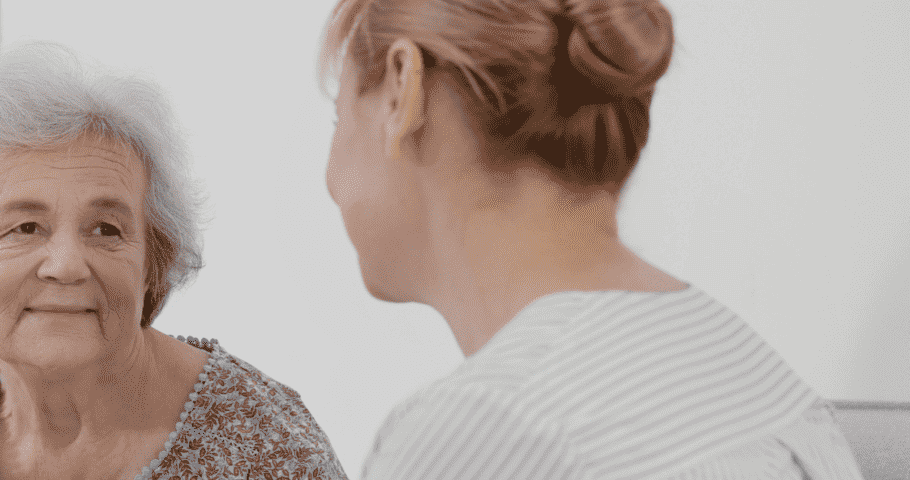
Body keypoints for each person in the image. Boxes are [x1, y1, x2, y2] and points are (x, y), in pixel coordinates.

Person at [318, 0, 864, 478]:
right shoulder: (738, 363)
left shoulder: (487, 426)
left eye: (338, 117)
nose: (330, 179)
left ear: (400, 88)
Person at [0, 42, 347, 480]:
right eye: (25, 228)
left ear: (153, 261)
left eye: (106, 229)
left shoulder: (266, 448)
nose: (66, 265)